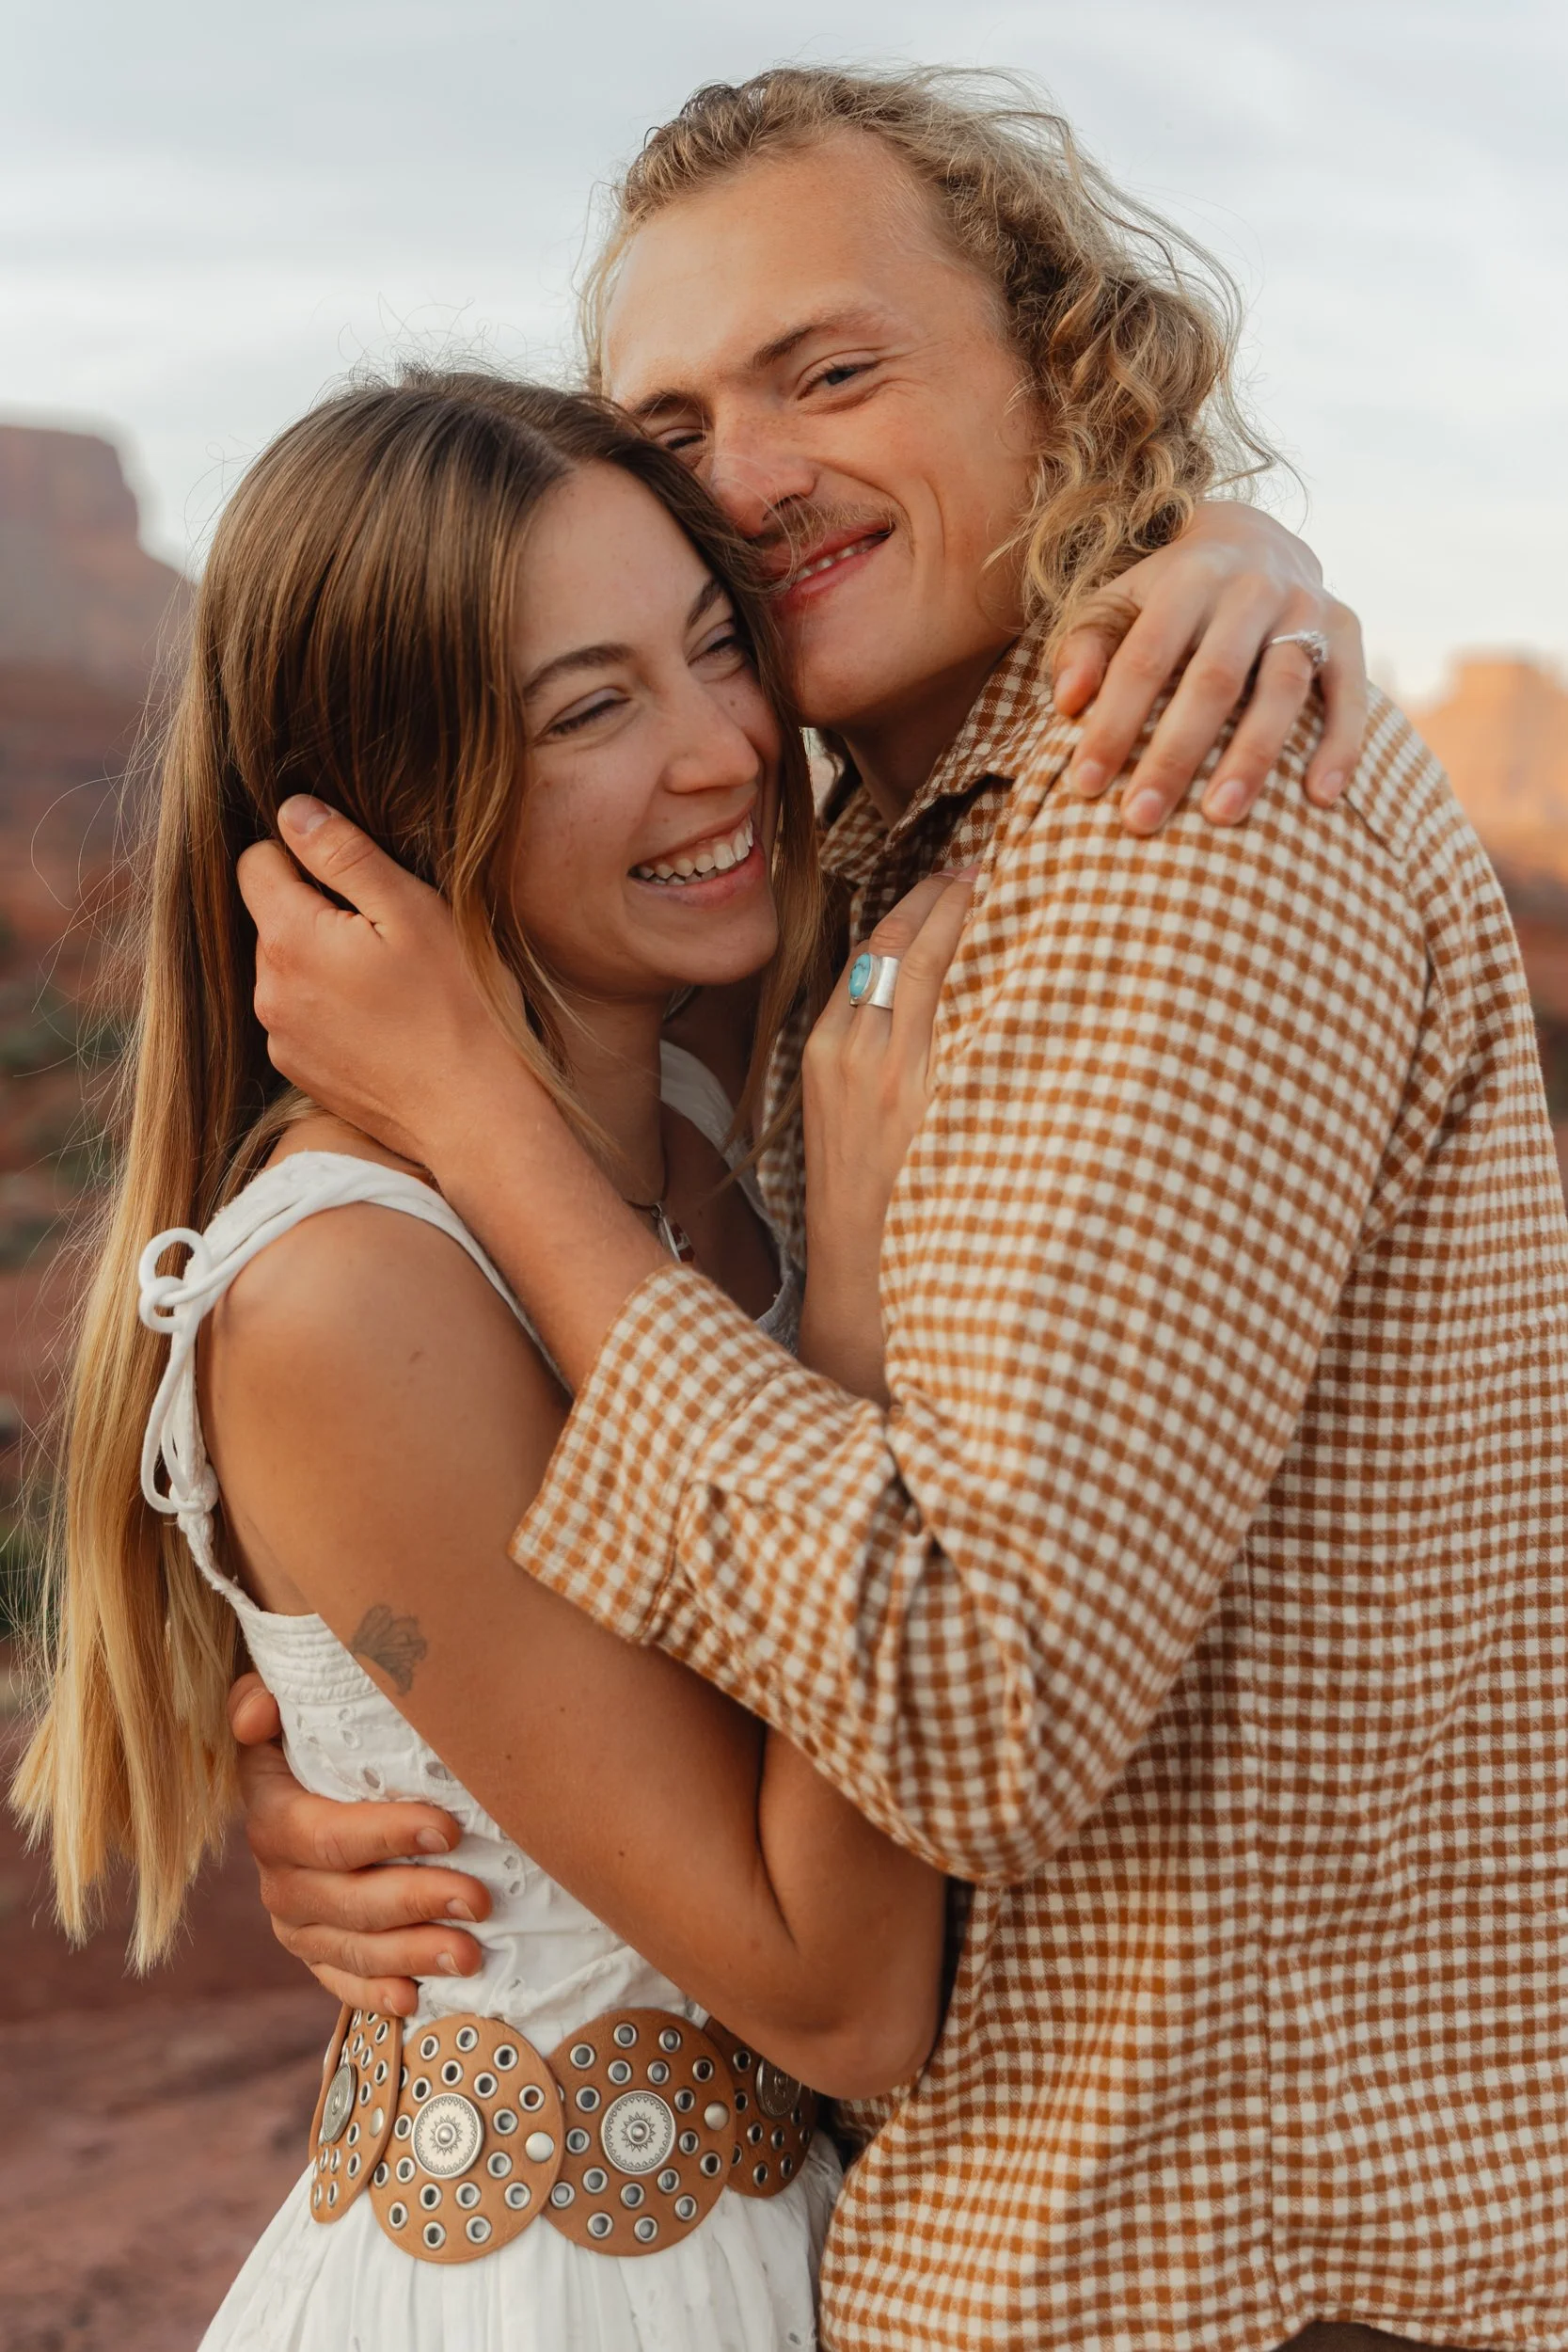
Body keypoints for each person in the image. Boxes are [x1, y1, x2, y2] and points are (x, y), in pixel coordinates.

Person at [230, 67, 1568, 2352]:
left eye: (829, 368)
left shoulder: (1169, 825)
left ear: (1066, 367)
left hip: (1189, 2267)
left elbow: (958, 1721)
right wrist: (436, 1781)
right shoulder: (876, 884)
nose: (745, 477)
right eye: (675, 418)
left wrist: (494, 1137)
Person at [13, 366, 998, 2349]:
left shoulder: (717, 1116)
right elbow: (836, 1979)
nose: (724, 749)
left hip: (814, 2254)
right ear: (371, 802)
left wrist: (1250, 561)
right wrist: (865, 1314)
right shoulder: (347, 1292)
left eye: (716, 647)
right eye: (587, 707)